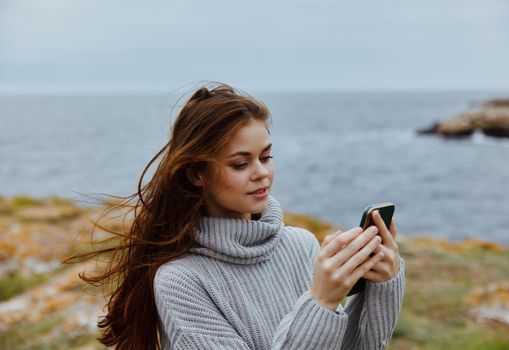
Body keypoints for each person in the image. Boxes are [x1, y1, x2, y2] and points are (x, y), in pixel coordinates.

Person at [73, 83, 405, 350]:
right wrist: (321, 300)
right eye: (240, 164)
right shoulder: (182, 281)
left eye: (266, 156)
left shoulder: (300, 244)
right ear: (196, 175)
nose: (261, 173)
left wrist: (382, 285)